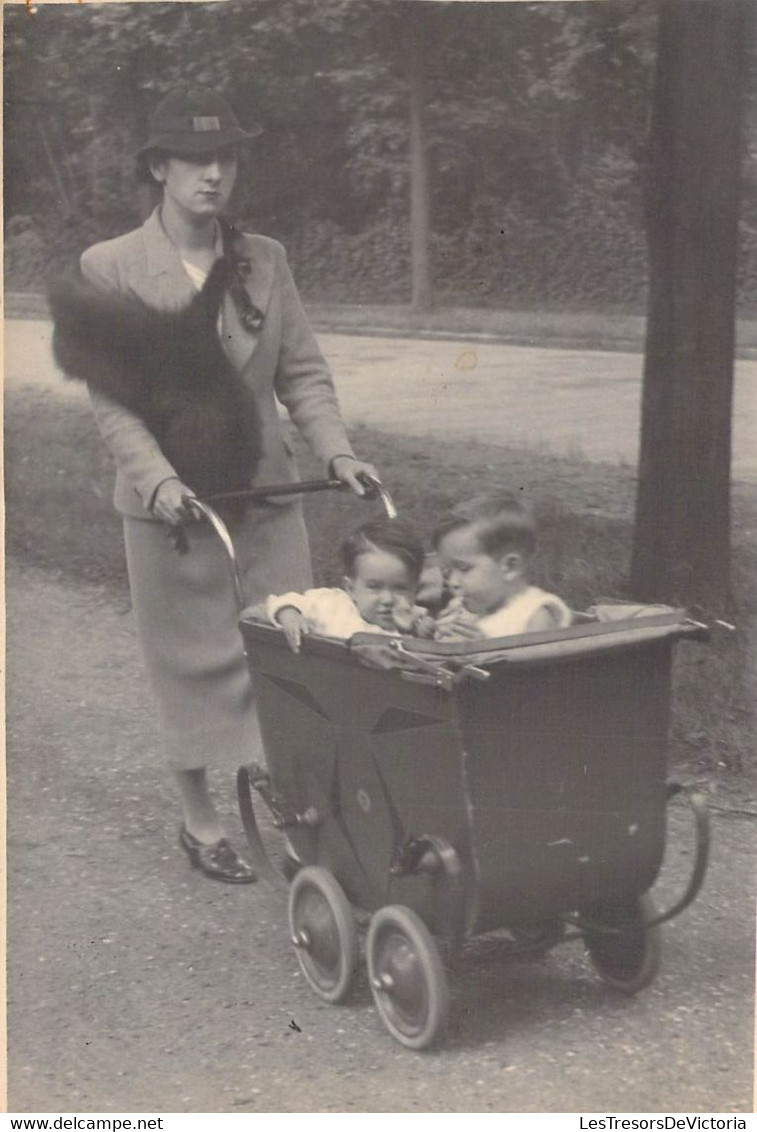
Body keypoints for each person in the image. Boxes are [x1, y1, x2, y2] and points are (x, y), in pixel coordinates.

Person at [61, 87, 380, 883]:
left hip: (267, 492)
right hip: (172, 506)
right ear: (159, 168)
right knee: (190, 660)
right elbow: (114, 402)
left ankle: (293, 797)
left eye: (226, 158)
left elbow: (302, 373)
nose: (213, 175)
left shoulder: (263, 258)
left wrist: (335, 453)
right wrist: (161, 481)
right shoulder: (112, 267)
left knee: (289, 646)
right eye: (195, 160)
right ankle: (200, 819)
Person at [265, 519, 434, 650]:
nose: (388, 599)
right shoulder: (332, 605)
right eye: (374, 587)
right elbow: (285, 601)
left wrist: (426, 635)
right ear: (351, 588)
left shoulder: (412, 621)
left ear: (415, 589)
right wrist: (290, 615)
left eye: (400, 588)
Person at [431, 492, 572, 639]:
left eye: (464, 569)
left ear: (510, 567)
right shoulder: (462, 606)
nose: (452, 582)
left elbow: (541, 661)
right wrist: (434, 632)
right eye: (447, 571)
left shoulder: (535, 615)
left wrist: (484, 648)